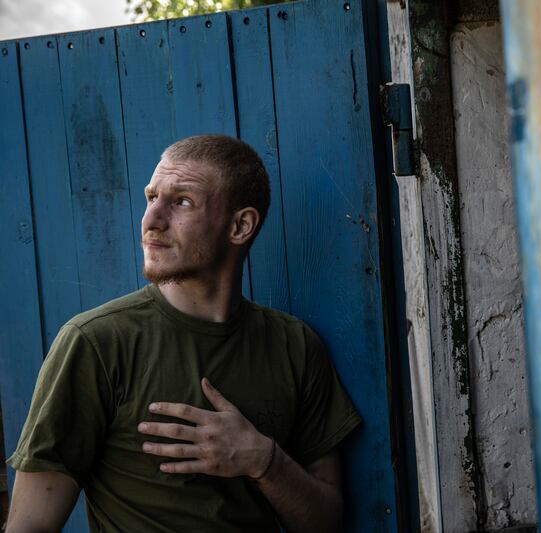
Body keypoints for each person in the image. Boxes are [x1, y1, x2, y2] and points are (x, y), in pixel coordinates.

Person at [5, 135, 360, 532]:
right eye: (151, 197)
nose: (151, 220)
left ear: (240, 225)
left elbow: (326, 522)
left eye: (181, 202)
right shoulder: (96, 343)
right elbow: (29, 525)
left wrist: (264, 461)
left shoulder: (295, 345)